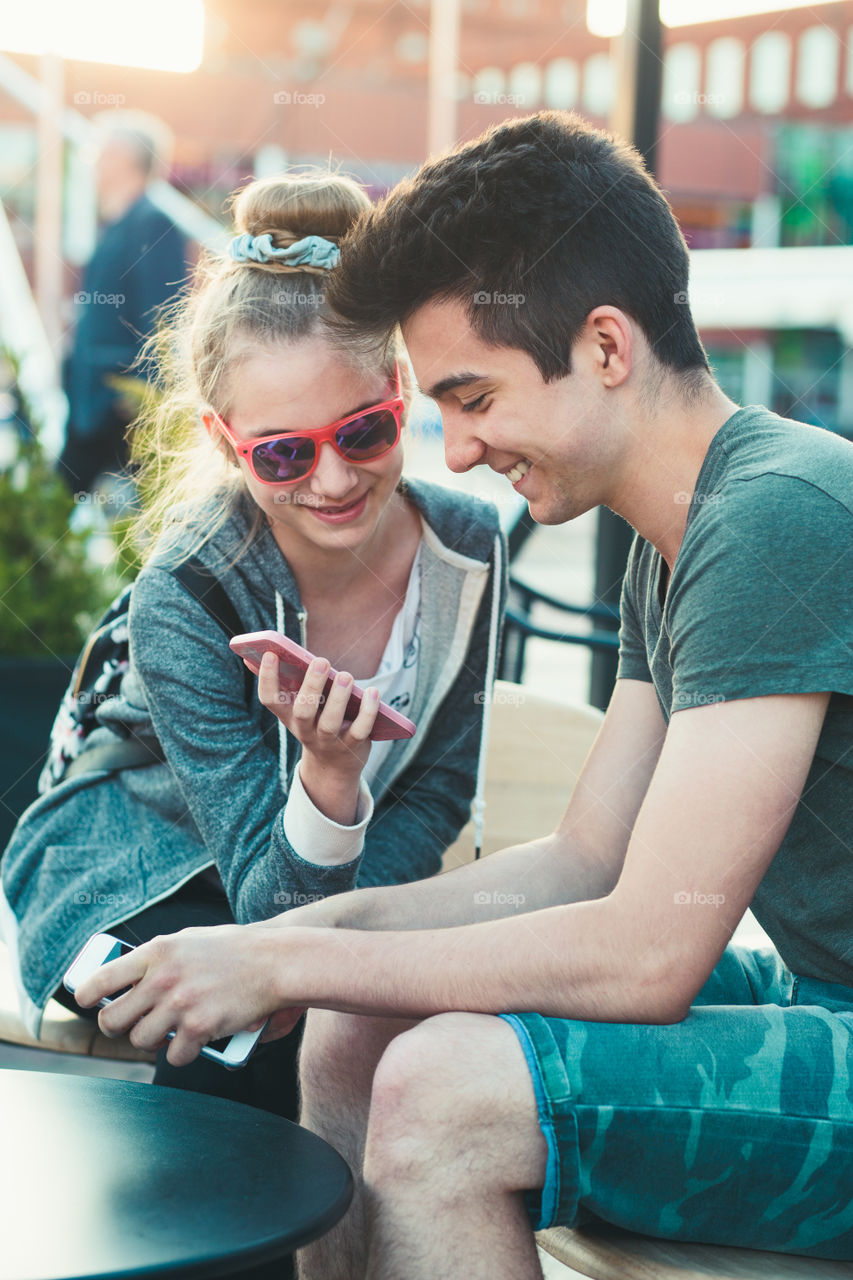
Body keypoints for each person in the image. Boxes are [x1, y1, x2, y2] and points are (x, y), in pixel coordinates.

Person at [76, 112, 853, 1275]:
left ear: (603, 347)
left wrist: (285, 962)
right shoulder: (676, 537)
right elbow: (584, 857)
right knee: (356, 1026)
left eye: (472, 397)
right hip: (814, 993)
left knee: (448, 1092)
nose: (458, 450)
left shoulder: (774, 514)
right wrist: (300, 938)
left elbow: (648, 951)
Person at [1, 170, 505, 1123]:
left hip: (325, 883)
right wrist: (329, 782)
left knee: (342, 1008)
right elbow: (264, 907)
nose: (331, 479)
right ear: (226, 443)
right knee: (233, 1020)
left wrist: (347, 937)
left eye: (363, 430)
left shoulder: (469, 549)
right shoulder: (187, 589)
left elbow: (440, 785)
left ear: (401, 392)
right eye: (283, 452)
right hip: (132, 864)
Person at [58, 110, 188, 494]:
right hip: (91, 404)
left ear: (122, 158)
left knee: (115, 522)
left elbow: (163, 317)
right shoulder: (119, 223)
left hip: (117, 412)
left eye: (100, 152)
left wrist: (137, 398)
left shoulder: (153, 222)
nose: (93, 164)